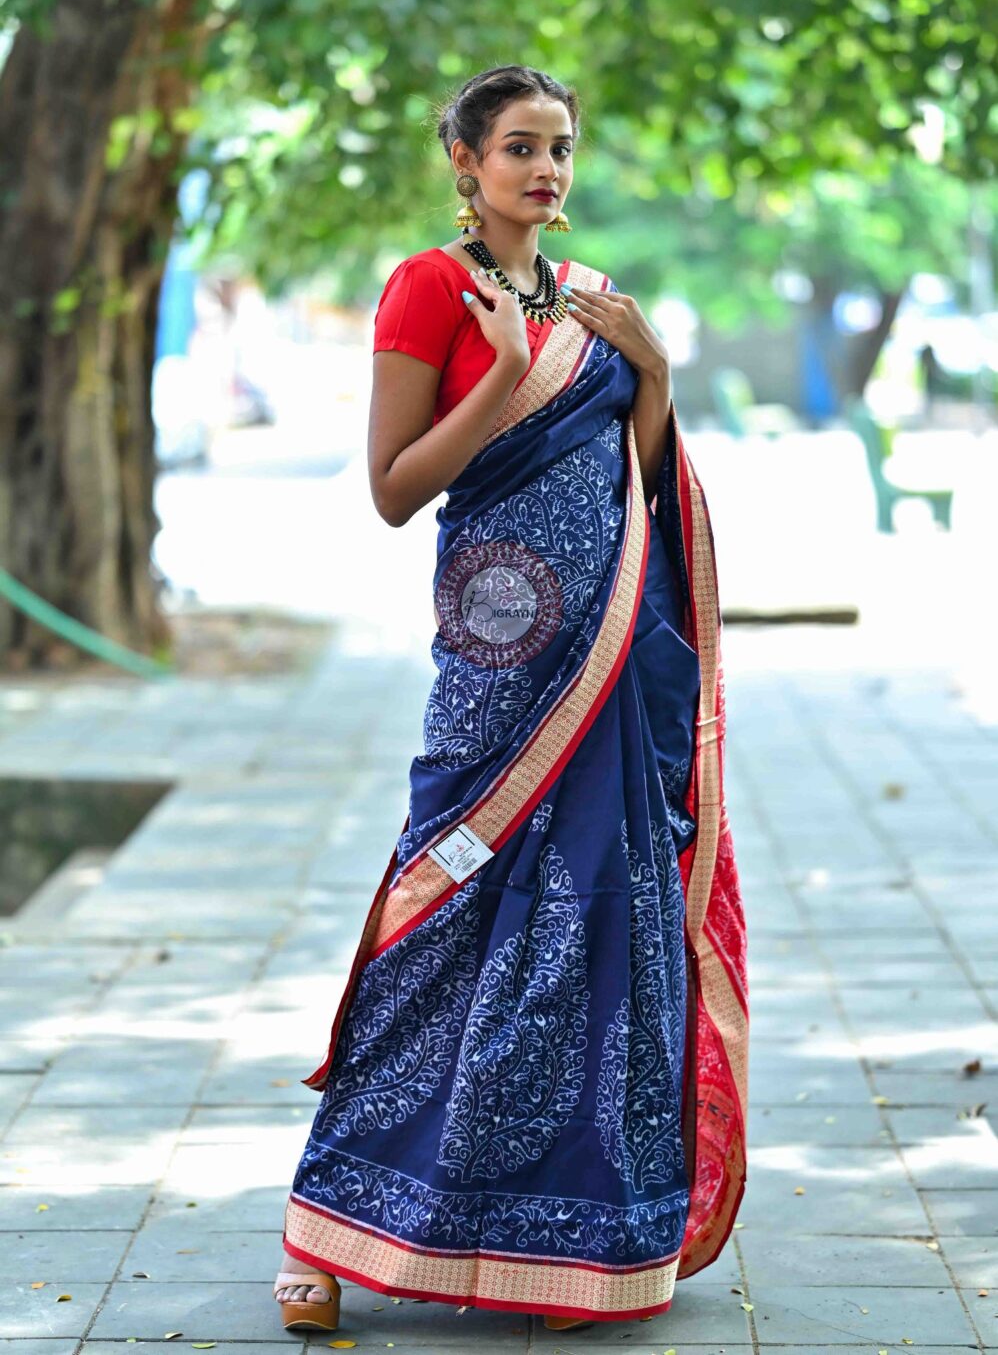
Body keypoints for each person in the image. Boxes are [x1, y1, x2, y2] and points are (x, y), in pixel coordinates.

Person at [273, 64, 748, 1334]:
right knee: (445, 908)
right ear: (464, 162)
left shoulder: (598, 303)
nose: (545, 170)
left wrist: (648, 378)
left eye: (561, 149)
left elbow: (635, 477)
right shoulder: (431, 287)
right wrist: (490, 375)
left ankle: (558, 1237)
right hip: (495, 664)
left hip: (602, 664)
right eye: (520, 148)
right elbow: (391, 489)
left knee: (596, 927)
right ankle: (324, 1229)